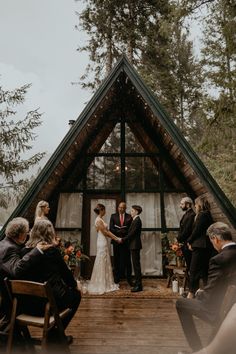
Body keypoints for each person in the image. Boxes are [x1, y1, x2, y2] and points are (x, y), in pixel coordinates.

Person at [176, 222, 236, 352]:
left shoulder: (218, 259)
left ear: (215, 238)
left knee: (181, 303)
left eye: (211, 241)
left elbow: (210, 295)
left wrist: (199, 293)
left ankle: (196, 348)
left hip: (218, 310)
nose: (213, 245)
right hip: (232, 307)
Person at [22, 219, 81, 342]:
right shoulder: (51, 252)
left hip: (26, 305)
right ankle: (56, 335)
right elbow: (67, 276)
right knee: (76, 295)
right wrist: (76, 285)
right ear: (49, 234)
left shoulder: (24, 252)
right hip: (47, 305)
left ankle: (54, 334)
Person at [0, 217, 50, 341]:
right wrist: (37, 250)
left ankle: (17, 338)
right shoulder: (9, 248)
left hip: (6, 296)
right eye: (26, 232)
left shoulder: (3, 243)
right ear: (20, 234)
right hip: (12, 300)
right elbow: (16, 270)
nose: (27, 235)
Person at [88, 203, 122, 295]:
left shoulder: (100, 219)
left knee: (105, 260)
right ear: (101, 210)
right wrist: (116, 238)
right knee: (102, 260)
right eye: (104, 210)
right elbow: (106, 232)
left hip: (103, 241)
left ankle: (106, 282)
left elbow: (107, 232)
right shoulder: (98, 220)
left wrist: (116, 237)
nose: (105, 211)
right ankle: (101, 283)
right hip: (102, 241)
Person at [186, 196, 214, 299]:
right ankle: (208, 295)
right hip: (203, 246)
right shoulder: (206, 214)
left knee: (193, 270)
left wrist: (189, 241)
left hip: (200, 246)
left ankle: (191, 294)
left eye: (196, 204)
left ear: (200, 205)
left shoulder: (202, 215)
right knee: (203, 271)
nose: (195, 206)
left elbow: (196, 231)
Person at [109, 202, 132, 285]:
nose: (121, 209)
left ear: (125, 208)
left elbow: (130, 230)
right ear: (118, 208)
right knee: (116, 260)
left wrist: (123, 233)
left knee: (127, 261)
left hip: (126, 242)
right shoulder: (113, 216)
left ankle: (129, 279)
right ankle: (116, 278)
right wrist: (119, 231)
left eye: (123, 208)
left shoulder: (129, 217)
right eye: (120, 207)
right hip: (116, 241)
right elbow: (111, 228)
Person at [123, 205, 143, 293]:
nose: (130, 212)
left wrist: (123, 239)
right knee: (136, 265)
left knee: (136, 266)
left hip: (135, 245)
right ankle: (138, 283)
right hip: (133, 245)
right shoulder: (134, 220)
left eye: (132, 211)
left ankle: (139, 286)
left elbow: (132, 233)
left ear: (136, 212)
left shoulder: (137, 220)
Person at [177, 197, 195, 273]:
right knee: (189, 265)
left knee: (191, 265)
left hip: (188, 244)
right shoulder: (187, 214)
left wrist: (178, 239)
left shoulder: (191, 215)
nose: (180, 206)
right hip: (185, 243)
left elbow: (187, 230)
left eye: (182, 204)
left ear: (188, 205)